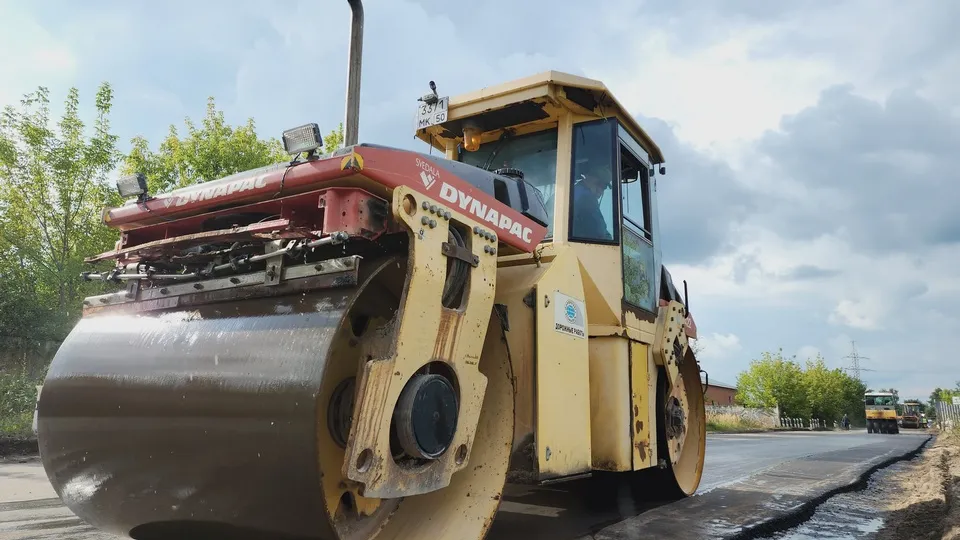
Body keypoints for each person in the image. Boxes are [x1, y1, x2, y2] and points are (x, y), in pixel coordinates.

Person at [571, 159, 613, 240]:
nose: (600, 190)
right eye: (598, 184)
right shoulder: (587, 198)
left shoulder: (567, 192)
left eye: (603, 187)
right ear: (587, 178)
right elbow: (599, 231)